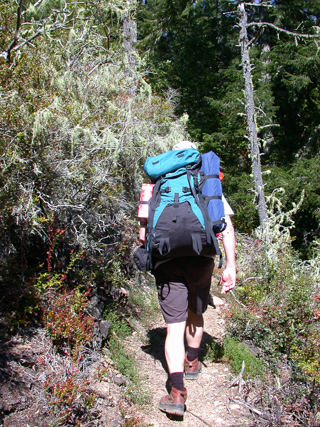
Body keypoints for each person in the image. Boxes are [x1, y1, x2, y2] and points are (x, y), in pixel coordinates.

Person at [152, 141, 236, 417]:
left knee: (173, 327)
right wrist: (230, 265)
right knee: (196, 311)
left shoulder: (161, 179)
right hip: (202, 256)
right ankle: (192, 362)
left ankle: (176, 394)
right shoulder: (206, 179)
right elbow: (226, 225)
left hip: (167, 257)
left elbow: (144, 224)